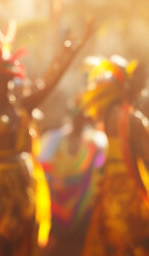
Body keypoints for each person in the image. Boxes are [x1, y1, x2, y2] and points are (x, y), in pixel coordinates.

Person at [0, 20, 94, 256]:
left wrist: (70, 55)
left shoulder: (23, 107)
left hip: (21, 181)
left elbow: (49, 84)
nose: (6, 86)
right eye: (0, 80)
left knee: (23, 236)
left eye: (9, 80)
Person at [79, 56, 149, 255]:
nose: (142, 90)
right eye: (140, 85)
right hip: (130, 189)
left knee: (115, 242)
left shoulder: (109, 114)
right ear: (129, 87)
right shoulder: (134, 120)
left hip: (110, 187)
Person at [38, 108, 106, 256]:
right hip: (56, 198)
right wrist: (57, 182)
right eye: (77, 117)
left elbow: (97, 169)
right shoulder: (55, 138)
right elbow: (43, 165)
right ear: (71, 117)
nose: (79, 122)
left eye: (83, 118)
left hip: (81, 201)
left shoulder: (95, 142)